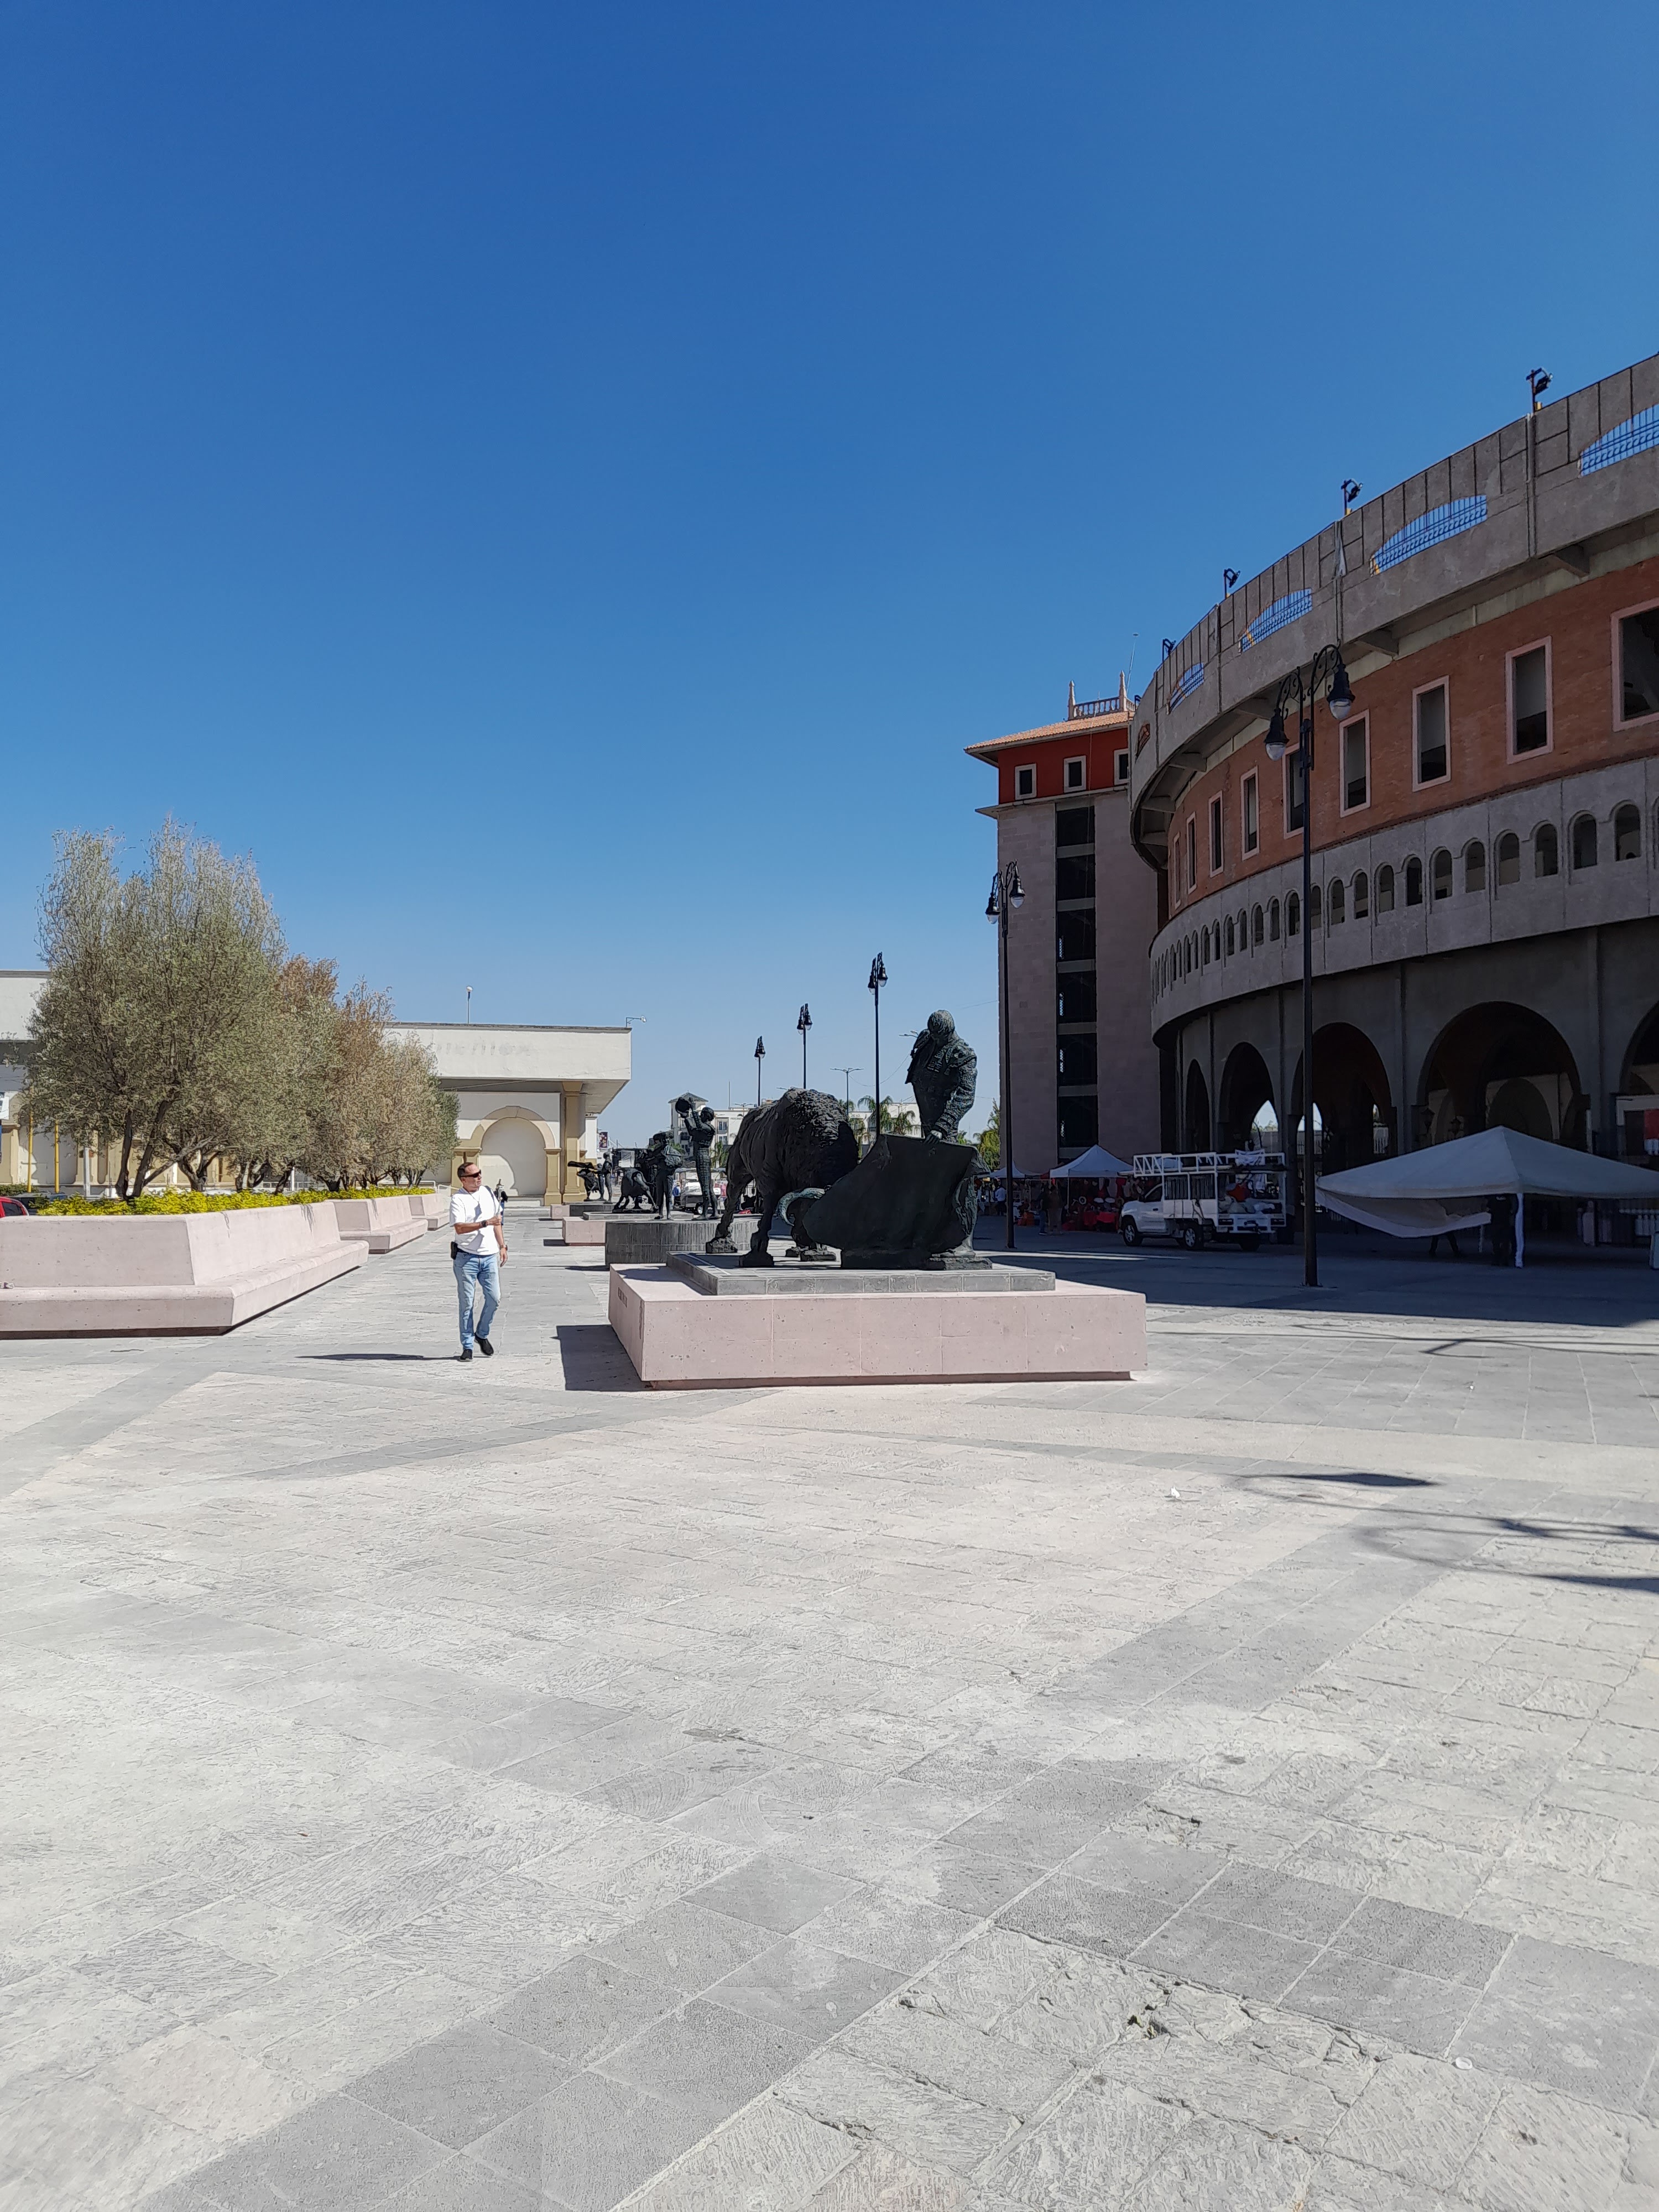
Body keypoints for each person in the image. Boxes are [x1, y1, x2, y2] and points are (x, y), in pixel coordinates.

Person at [450, 1160, 506, 1361]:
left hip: (489, 1256)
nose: (479, 1178)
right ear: (464, 1180)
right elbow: (459, 1228)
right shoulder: (458, 1199)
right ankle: (467, 1346)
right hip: (466, 1258)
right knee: (467, 1303)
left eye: (480, 1173)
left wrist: (502, 1246)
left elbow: (497, 1221)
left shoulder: (488, 1193)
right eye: (474, 1176)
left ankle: (481, 1334)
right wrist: (485, 1223)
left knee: (494, 1298)